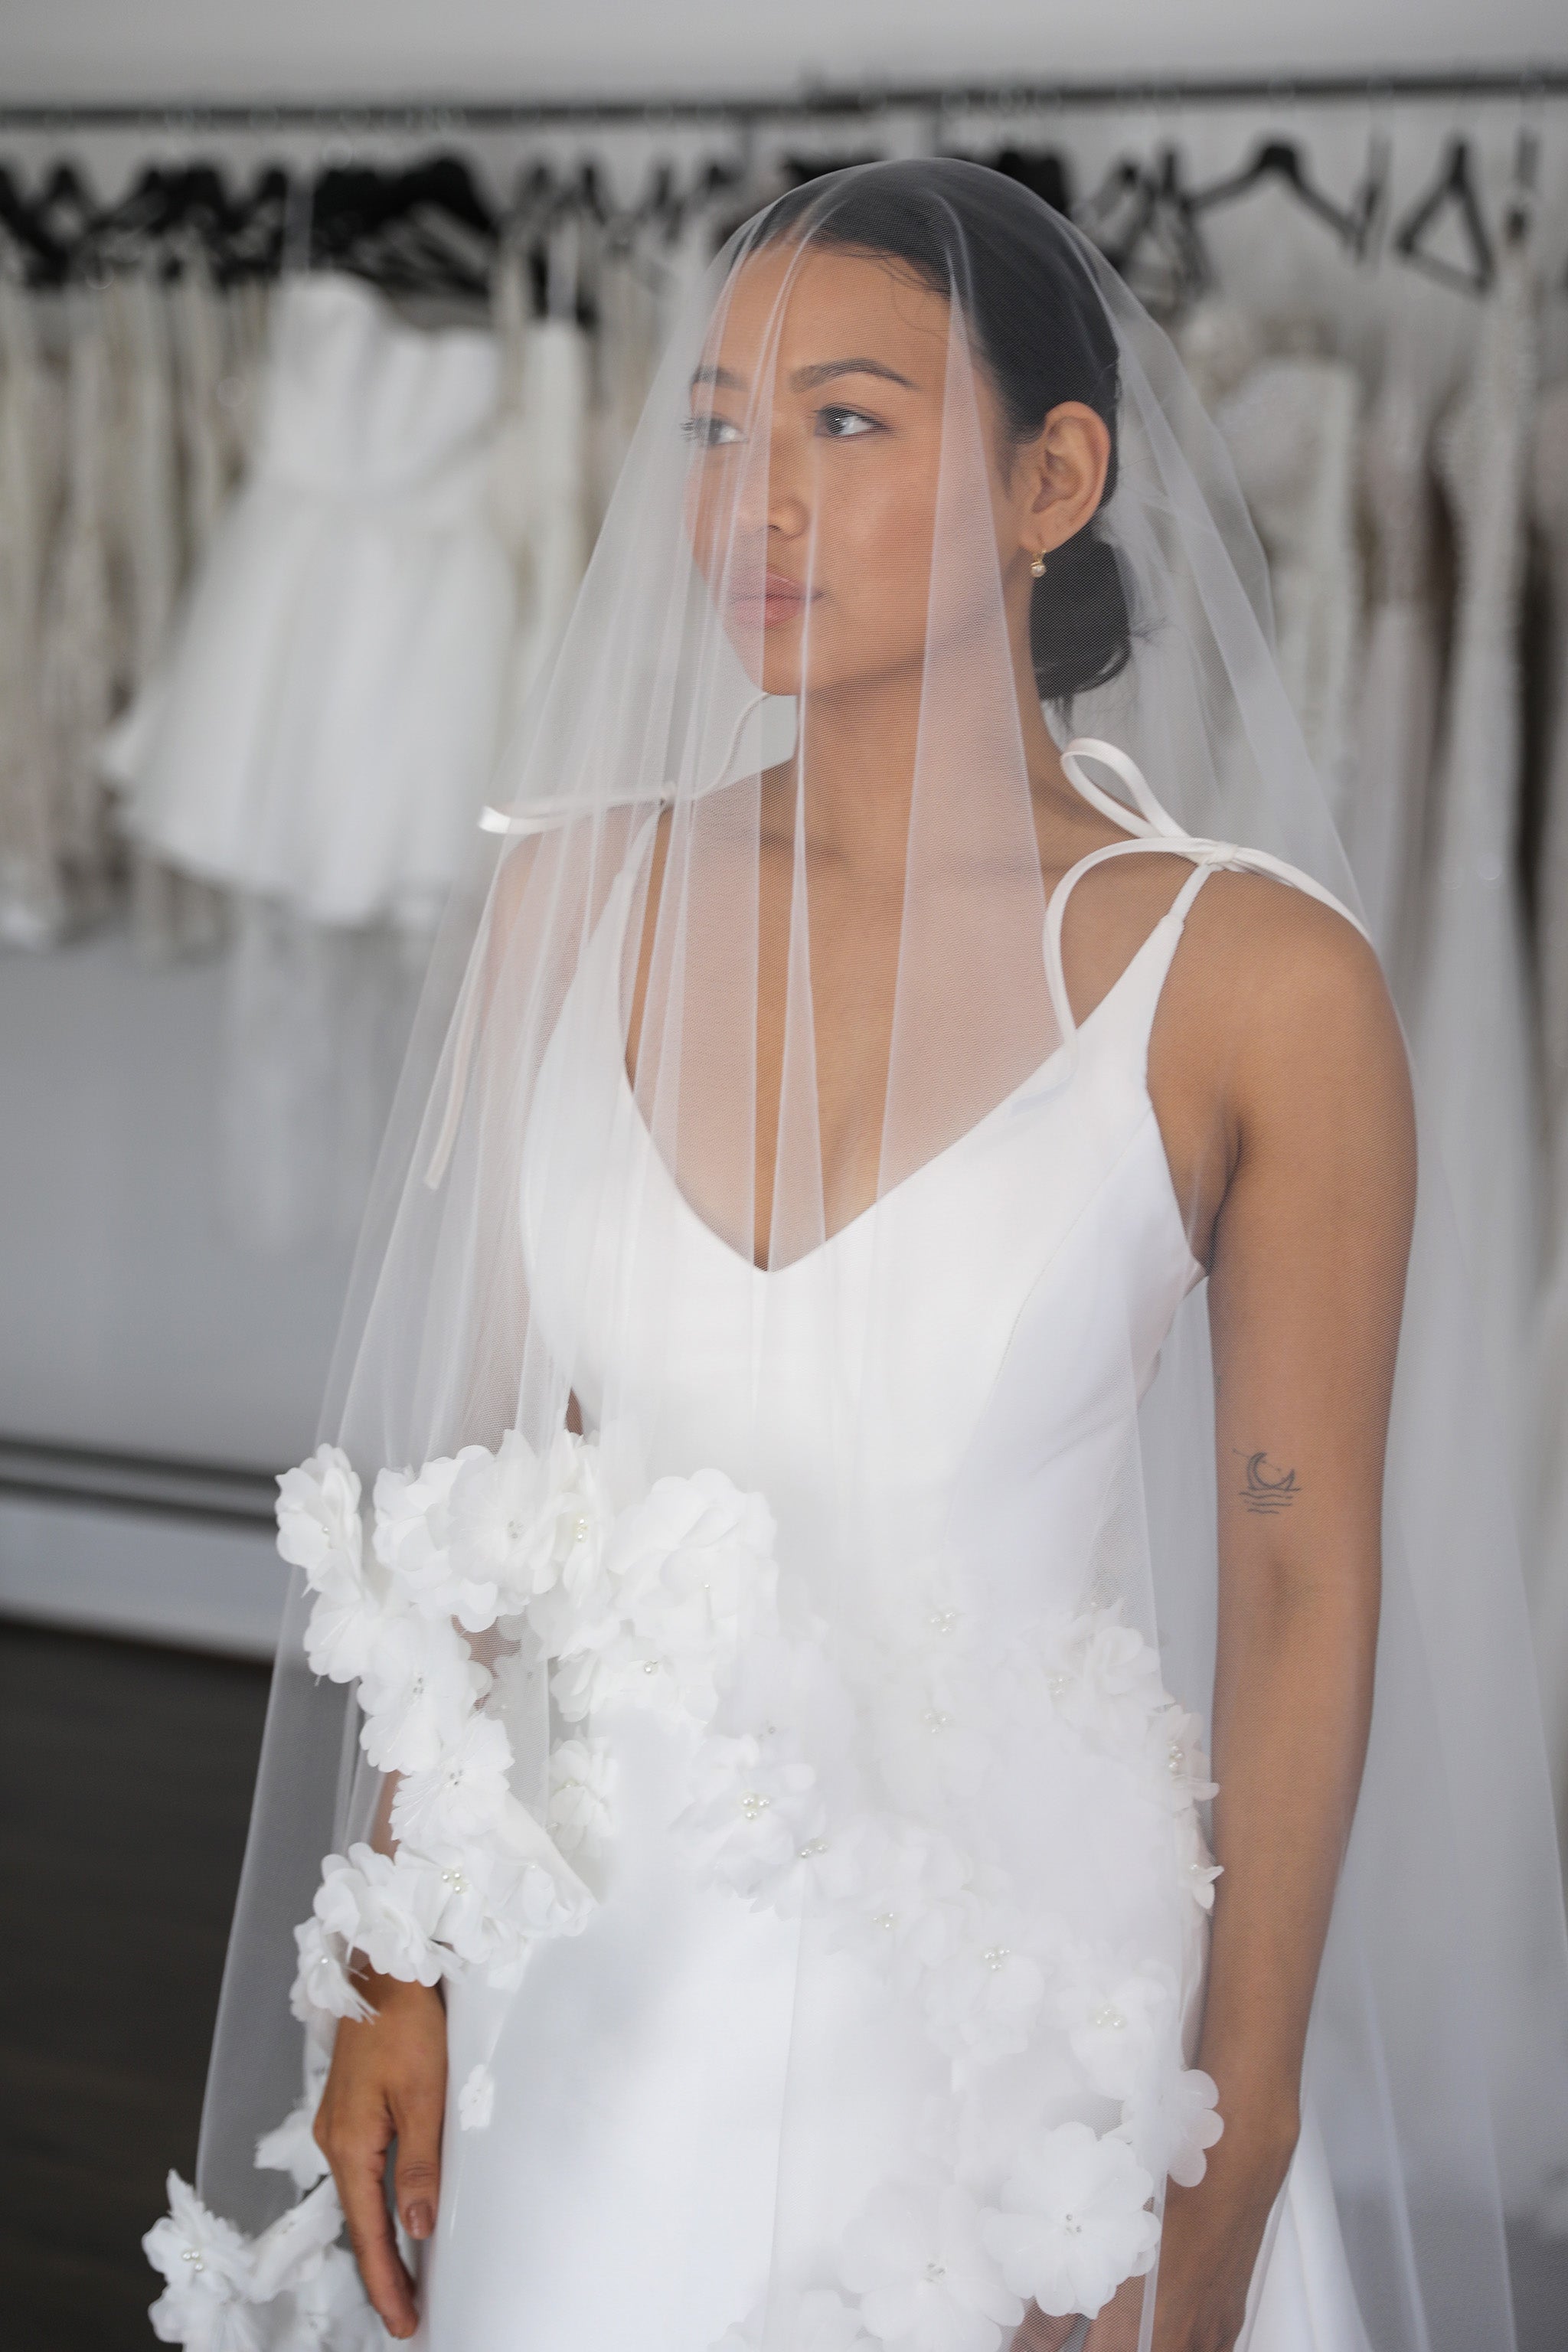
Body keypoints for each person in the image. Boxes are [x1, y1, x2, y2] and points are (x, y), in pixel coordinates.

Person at [149, 162, 1568, 2352]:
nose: (751, 501)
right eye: (718, 426)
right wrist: (400, 1947)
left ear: (1054, 477)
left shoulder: (1254, 983)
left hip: (1002, 2021)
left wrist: (1239, 2117)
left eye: (846, 421)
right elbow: (474, 1479)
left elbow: (1300, 1578)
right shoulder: (570, 903)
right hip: (590, 1986)